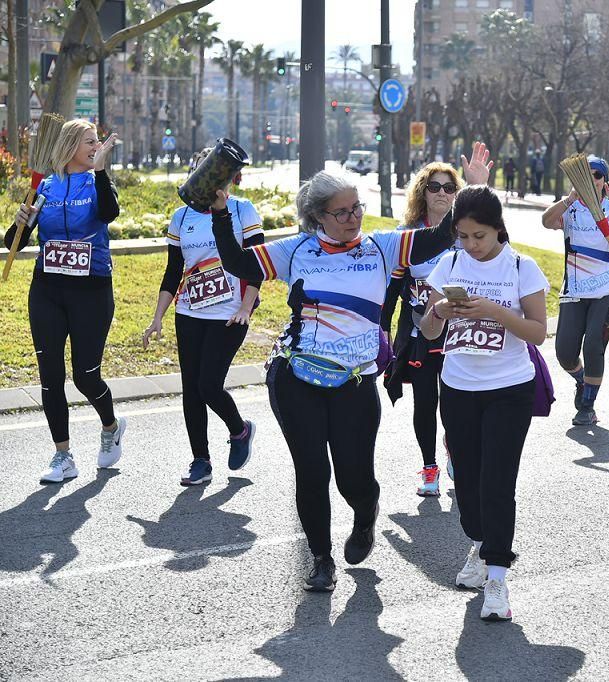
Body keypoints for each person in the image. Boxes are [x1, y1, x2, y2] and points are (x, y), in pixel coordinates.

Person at [213, 143, 493, 592]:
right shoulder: (296, 250)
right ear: (318, 217)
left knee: (353, 475)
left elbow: (442, 236)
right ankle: (321, 560)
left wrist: (474, 186)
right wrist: (222, 213)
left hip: (355, 381)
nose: (353, 218)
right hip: (295, 374)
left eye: (356, 208)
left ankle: (366, 515)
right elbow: (238, 262)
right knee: (311, 469)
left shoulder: (383, 248)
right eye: (341, 212)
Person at [418, 185, 549, 622]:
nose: (471, 245)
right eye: (463, 236)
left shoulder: (521, 267)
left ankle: (497, 577)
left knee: (497, 482)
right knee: (469, 484)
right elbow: (429, 331)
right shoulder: (449, 263)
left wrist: (493, 310)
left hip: (509, 389)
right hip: (457, 388)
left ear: (497, 229)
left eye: (479, 236)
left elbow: (536, 332)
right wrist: (440, 313)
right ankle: (479, 543)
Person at [4, 119, 127, 484]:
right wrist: (19, 221)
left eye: (97, 142)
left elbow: (109, 213)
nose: (96, 146)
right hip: (47, 291)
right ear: (71, 145)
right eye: (90, 142)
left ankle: (110, 425)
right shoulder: (47, 186)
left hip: (91, 291)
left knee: (86, 375)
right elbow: (16, 242)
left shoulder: (97, 182)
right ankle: (63, 455)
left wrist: (102, 170)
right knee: (50, 377)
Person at [141, 148, 262, 486]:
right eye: (200, 169)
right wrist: (158, 318)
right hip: (189, 312)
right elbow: (172, 271)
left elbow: (257, 265)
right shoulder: (181, 217)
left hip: (229, 315)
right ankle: (200, 460)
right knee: (191, 390)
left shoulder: (242, 210)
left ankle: (239, 430)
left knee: (209, 385)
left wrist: (245, 306)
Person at [382, 161, 465, 496]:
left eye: (449, 187)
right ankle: (429, 467)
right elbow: (390, 293)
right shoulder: (408, 237)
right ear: (423, 192)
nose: (442, 193)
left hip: (459, 332)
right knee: (425, 401)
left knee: (456, 402)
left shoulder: (465, 234)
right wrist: (382, 334)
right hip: (418, 331)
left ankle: (456, 451)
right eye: (435, 187)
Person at [540, 155, 609, 425]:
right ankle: (583, 381)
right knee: (565, 353)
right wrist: (569, 199)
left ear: (605, 181)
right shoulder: (569, 207)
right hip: (575, 288)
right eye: (587, 174)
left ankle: (587, 406)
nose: (592, 179)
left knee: (594, 342)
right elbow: (547, 222)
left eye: (597, 175)